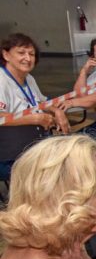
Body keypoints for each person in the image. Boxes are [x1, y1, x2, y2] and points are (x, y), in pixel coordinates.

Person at [0, 33, 69, 179]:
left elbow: (40, 102)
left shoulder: (28, 78)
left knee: (69, 161)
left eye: (31, 54)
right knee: (53, 177)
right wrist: (35, 118)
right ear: (6, 55)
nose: (28, 58)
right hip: (10, 155)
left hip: (34, 145)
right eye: (21, 53)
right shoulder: (2, 80)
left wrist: (56, 110)